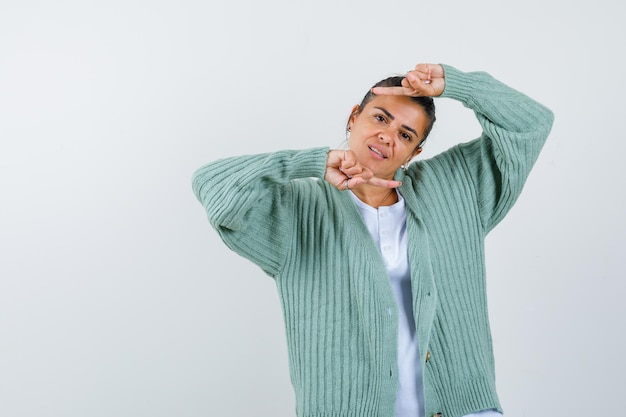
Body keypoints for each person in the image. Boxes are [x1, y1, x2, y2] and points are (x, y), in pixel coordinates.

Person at [192, 63, 554, 417]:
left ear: (414, 153)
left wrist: (457, 85)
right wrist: (310, 162)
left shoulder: (456, 187)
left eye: (406, 135)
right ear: (354, 117)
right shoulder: (296, 211)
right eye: (380, 118)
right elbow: (214, 186)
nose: (387, 136)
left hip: (464, 408)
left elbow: (532, 124)